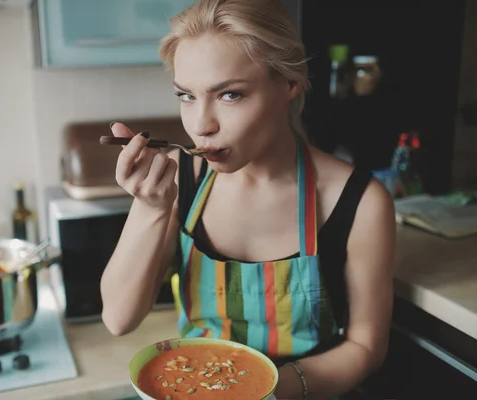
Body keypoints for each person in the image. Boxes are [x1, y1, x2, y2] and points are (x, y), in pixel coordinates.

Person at [100, 0, 396, 398]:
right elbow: (118, 319)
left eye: (230, 95)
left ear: (289, 84)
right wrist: (152, 209)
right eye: (186, 96)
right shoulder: (177, 179)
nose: (201, 126)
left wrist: (261, 393)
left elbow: (366, 348)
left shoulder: (359, 201)